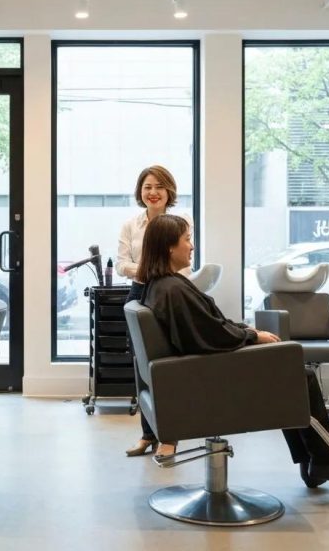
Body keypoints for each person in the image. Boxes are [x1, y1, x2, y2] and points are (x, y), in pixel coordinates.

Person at [131, 214, 329, 487]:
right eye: (187, 240)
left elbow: (207, 327)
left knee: (293, 373)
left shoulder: (162, 286)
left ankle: (314, 461)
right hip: (203, 382)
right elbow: (208, 337)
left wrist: (244, 331)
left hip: (189, 377)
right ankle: (324, 462)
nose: (192, 246)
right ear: (168, 247)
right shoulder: (173, 289)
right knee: (297, 376)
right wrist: (252, 336)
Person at [118, 165, 192, 459]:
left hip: (170, 291)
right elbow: (122, 263)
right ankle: (148, 434)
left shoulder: (181, 221)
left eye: (159, 187)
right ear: (140, 191)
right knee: (142, 364)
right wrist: (149, 270)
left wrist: (159, 273)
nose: (153, 193)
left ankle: (170, 437)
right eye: (147, 187)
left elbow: (184, 263)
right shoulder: (131, 225)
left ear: (169, 191)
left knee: (168, 365)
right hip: (140, 291)